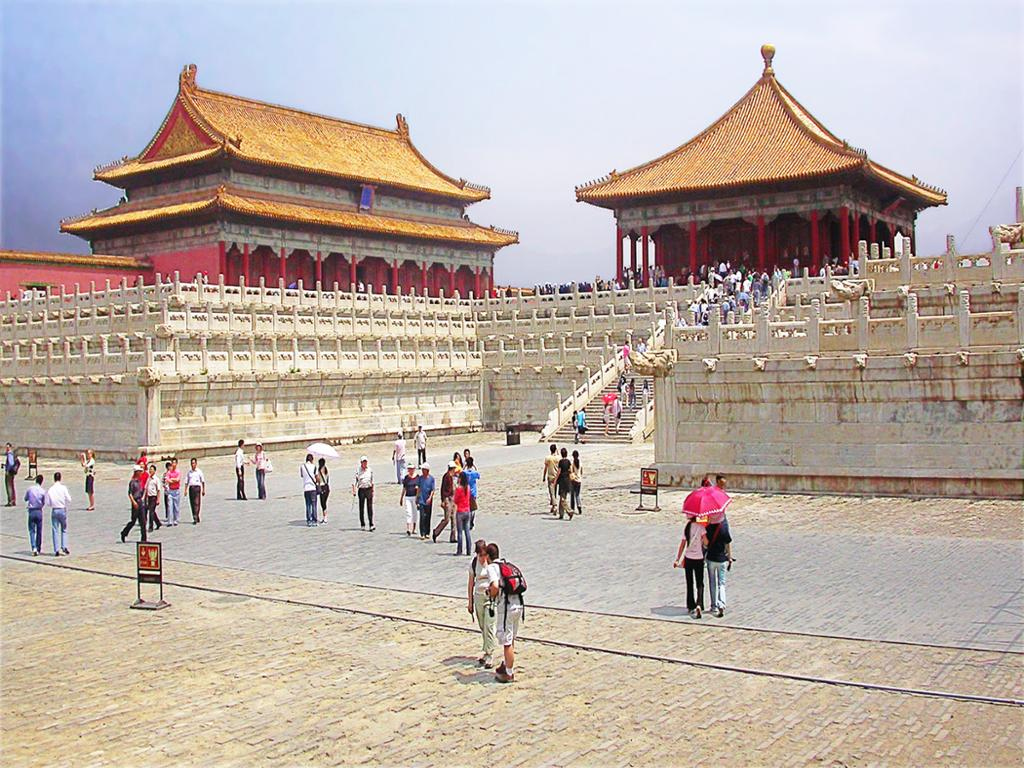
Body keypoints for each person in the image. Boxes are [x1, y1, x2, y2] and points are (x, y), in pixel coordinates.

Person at [489, 543, 523, 684]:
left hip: (506, 607)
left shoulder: (492, 567)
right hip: (518, 604)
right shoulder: (505, 564)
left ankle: (509, 673)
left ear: (488, 556)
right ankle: (506, 664)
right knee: (511, 637)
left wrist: (491, 594)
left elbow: (495, 586)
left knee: (506, 641)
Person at [467, 539, 499, 668]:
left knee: (489, 625)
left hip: (490, 598)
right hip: (478, 597)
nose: (482, 558)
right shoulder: (474, 563)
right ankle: (486, 651)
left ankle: (490, 654)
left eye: (484, 555)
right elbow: (470, 583)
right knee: (482, 625)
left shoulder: (491, 563)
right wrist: (470, 602)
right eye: (480, 555)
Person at [674, 516, 708, 618]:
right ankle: (699, 604)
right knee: (700, 583)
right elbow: (706, 542)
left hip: (688, 558)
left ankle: (690, 605)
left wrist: (678, 559)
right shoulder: (701, 527)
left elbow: (683, 544)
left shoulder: (687, 528)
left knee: (689, 583)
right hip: (699, 558)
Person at [705, 516, 733, 618]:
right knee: (721, 583)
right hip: (721, 559)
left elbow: (705, 543)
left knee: (712, 582)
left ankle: (714, 606)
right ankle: (721, 603)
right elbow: (727, 544)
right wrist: (729, 557)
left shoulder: (708, 527)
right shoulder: (724, 528)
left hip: (711, 558)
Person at [432, 461, 458, 543]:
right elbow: (443, 489)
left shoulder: (452, 477)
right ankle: (436, 531)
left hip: (453, 498)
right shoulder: (446, 476)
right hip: (447, 499)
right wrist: (443, 500)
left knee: (454, 518)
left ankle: (453, 537)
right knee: (447, 519)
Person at [121, 466, 148, 543]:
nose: (141, 473)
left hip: (140, 501)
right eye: (139, 471)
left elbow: (142, 490)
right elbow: (130, 493)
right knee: (133, 520)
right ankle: (124, 533)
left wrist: (143, 498)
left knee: (143, 521)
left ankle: (144, 539)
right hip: (135, 502)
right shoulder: (132, 482)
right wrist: (133, 502)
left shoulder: (140, 482)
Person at [24, 474, 45, 556]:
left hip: (31, 510)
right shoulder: (43, 491)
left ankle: (34, 547)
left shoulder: (30, 489)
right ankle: (38, 547)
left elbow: (25, 498)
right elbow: (43, 502)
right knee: (39, 531)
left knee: (32, 530)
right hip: (39, 511)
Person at [352, 456, 375, 531]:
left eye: (366, 462)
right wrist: (354, 490)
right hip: (361, 490)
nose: (365, 463)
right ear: (361, 463)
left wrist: (373, 490)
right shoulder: (358, 470)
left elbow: (372, 480)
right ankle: (362, 524)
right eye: (363, 462)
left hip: (368, 489)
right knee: (361, 507)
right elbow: (354, 481)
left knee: (370, 507)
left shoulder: (370, 470)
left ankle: (371, 524)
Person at [453, 470, 473, 555]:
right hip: (467, 511)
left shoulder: (459, 489)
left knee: (460, 532)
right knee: (467, 531)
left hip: (460, 511)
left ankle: (459, 550)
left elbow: (455, 500)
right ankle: (469, 550)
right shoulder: (468, 487)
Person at [416, 463, 435, 540]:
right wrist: (417, 498)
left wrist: (430, 498)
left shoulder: (431, 479)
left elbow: (432, 490)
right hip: (421, 499)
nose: (422, 471)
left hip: (428, 500)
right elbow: (418, 488)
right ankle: (422, 533)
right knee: (422, 516)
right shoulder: (420, 478)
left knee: (428, 516)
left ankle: (427, 532)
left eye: (424, 470)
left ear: (427, 470)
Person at [400, 463, 419, 536]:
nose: (410, 470)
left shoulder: (417, 477)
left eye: (412, 469)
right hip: (408, 497)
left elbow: (419, 488)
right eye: (409, 469)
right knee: (408, 512)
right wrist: (401, 498)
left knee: (415, 513)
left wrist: (418, 497)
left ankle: (414, 528)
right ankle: (408, 528)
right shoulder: (406, 478)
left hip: (415, 497)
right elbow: (404, 488)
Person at [185, 458, 205, 524]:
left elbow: (202, 481)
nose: (192, 465)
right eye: (191, 463)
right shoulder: (189, 472)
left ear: (196, 464)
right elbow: (186, 481)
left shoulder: (199, 471)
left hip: (197, 487)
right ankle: (195, 515)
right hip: (191, 487)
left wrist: (203, 490)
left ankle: (195, 516)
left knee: (197, 502)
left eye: (193, 463)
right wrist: (185, 490)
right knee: (192, 503)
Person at [555, 448, 573, 520]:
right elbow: (570, 470)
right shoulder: (568, 461)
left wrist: (555, 480)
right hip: (567, 480)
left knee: (562, 499)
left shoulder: (561, 462)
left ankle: (569, 511)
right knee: (562, 497)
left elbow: (559, 471)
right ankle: (561, 513)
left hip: (562, 481)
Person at [301, 454, 318, 527]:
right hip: (313, 487)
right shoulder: (314, 466)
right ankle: (314, 520)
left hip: (306, 488)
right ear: (312, 459)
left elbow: (302, 475)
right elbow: (316, 477)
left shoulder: (302, 466)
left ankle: (309, 520)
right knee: (314, 504)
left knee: (308, 505)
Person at [463, 456, 480, 529]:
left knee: (467, 507)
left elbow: (461, 474)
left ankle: (467, 521)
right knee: (473, 508)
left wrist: (464, 467)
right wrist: (474, 467)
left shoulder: (465, 473)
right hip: (473, 492)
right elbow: (478, 476)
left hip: (466, 491)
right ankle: (471, 522)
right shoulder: (474, 473)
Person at [145, 463, 162, 532]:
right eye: (150, 469)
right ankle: (158, 523)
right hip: (149, 497)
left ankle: (150, 526)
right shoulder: (148, 479)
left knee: (151, 512)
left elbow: (158, 490)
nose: (150, 471)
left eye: (152, 470)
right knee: (152, 511)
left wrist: (158, 499)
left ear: (155, 471)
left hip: (154, 497)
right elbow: (146, 488)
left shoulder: (156, 479)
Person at [543, 444, 559, 514]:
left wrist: (544, 476)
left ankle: (554, 505)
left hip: (550, 476)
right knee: (554, 491)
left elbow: (545, 468)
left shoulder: (548, 458)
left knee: (551, 492)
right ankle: (553, 506)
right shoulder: (558, 458)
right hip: (557, 476)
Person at [165, 459, 182, 526]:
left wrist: (172, 479)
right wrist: (173, 480)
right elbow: (167, 480)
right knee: (170, 506)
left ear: (176, 464)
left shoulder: (178, 472)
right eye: (173, 463)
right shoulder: (169, 472)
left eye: (175, 463)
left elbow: (178, 479)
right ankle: (169, 521)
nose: (173, 464)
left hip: (176, 490)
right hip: (170, 490)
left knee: (176, 506)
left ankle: (175, 520)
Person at [315, 458, 330, 524]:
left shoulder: (319, 470)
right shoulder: (326, 469)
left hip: (322, 487)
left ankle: (325, 517)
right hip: (327, 487)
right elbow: (327, 479)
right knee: (324, 502)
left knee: (323, 503)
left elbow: (318, 479)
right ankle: (325, 517)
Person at [569, 450, 583, 515]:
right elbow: (581, 472)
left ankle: (572, 508)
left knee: (572, 494)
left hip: (574, 480)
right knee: (577, 494)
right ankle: (579, 506)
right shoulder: (580, 463)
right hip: (579, 480)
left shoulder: (572, 464)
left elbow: (571, 472)